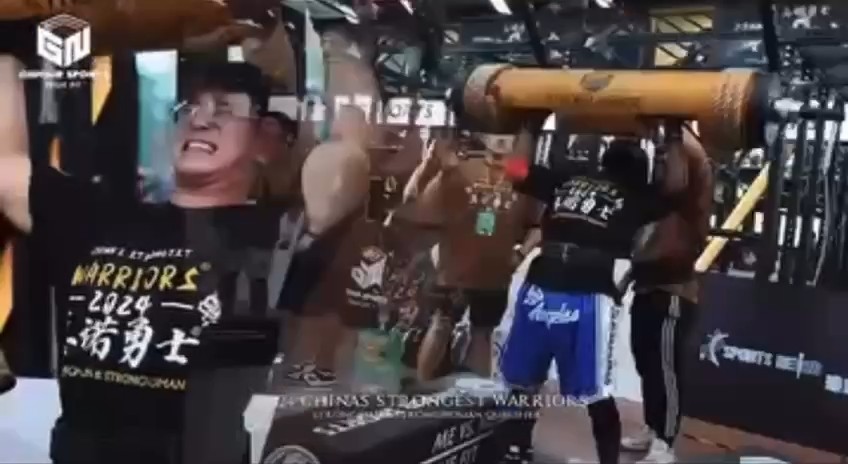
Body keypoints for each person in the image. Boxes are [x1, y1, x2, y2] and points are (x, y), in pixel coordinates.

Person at [0, 55, 281, 463]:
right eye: (189, 107)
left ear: (264, 140)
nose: (200, 120)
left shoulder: (276, 235)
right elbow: (5, 167)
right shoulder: (97, 218)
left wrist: (344, 45)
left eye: (225, 108)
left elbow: (342, 167)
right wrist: (6, 47)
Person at [497, 131, 692, 464]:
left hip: (548, 287)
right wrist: (673, 136)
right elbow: (676, 188)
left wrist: (529, 126)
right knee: (588, 392)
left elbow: (515, 170)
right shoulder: (636, 195)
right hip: (581, 294)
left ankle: (517, 449)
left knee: (529, 381)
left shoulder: (571, 180)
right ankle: (527, 450)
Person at [406, 130, 541, 380]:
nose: (501, 138)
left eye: (507, 131)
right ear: (484, 136)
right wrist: (437, 169)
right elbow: (418, 204)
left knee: (483, 334)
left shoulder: (524, 175)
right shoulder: (460, 167)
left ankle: (476, 396)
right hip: (453, 271)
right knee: (441, 325)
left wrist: (520, 254)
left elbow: (538, 225)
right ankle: (422, 386)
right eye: (496, 130)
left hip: (495, 274)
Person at [621, 130, 713, 464]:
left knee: (665, 369)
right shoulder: (654, 200)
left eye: (666, 154)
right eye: (658, 154)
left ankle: (666, 441)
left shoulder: (690, 193)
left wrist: (675, 128)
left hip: (674, 291)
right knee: (646, 364)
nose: (661, 157)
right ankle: (652, 427)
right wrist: (626, 279)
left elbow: (693, 155)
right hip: (646, 287)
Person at [278, 105, 371, 387]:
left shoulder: (318, 153)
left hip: (308, 237)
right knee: (331, 309)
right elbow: (344, 197)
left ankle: (302, 361)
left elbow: (301, 194)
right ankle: (322, 366)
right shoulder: (356, 157)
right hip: (337, 239)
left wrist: (308, 233)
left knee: (304, 308)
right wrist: (322, 230)